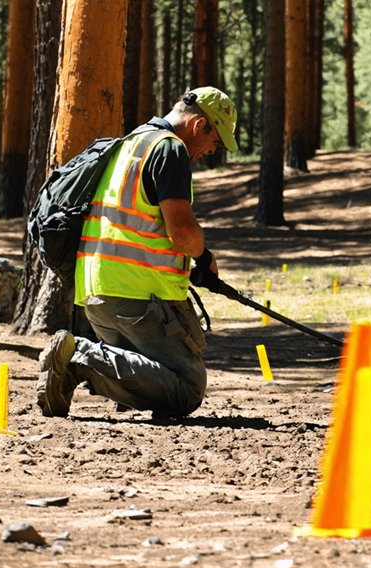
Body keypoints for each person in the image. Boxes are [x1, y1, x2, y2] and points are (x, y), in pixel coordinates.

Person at [36, 86, 239, 419]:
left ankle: (78, 363)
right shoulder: (170, 149)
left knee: (150, 376)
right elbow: (183, 233)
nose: (210, 151)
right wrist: (204, 258)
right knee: (187, 387)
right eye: (214, 142)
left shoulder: (132, 142)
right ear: (200, 125)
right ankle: (76, 357)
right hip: (137, 298)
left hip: (97, 293)